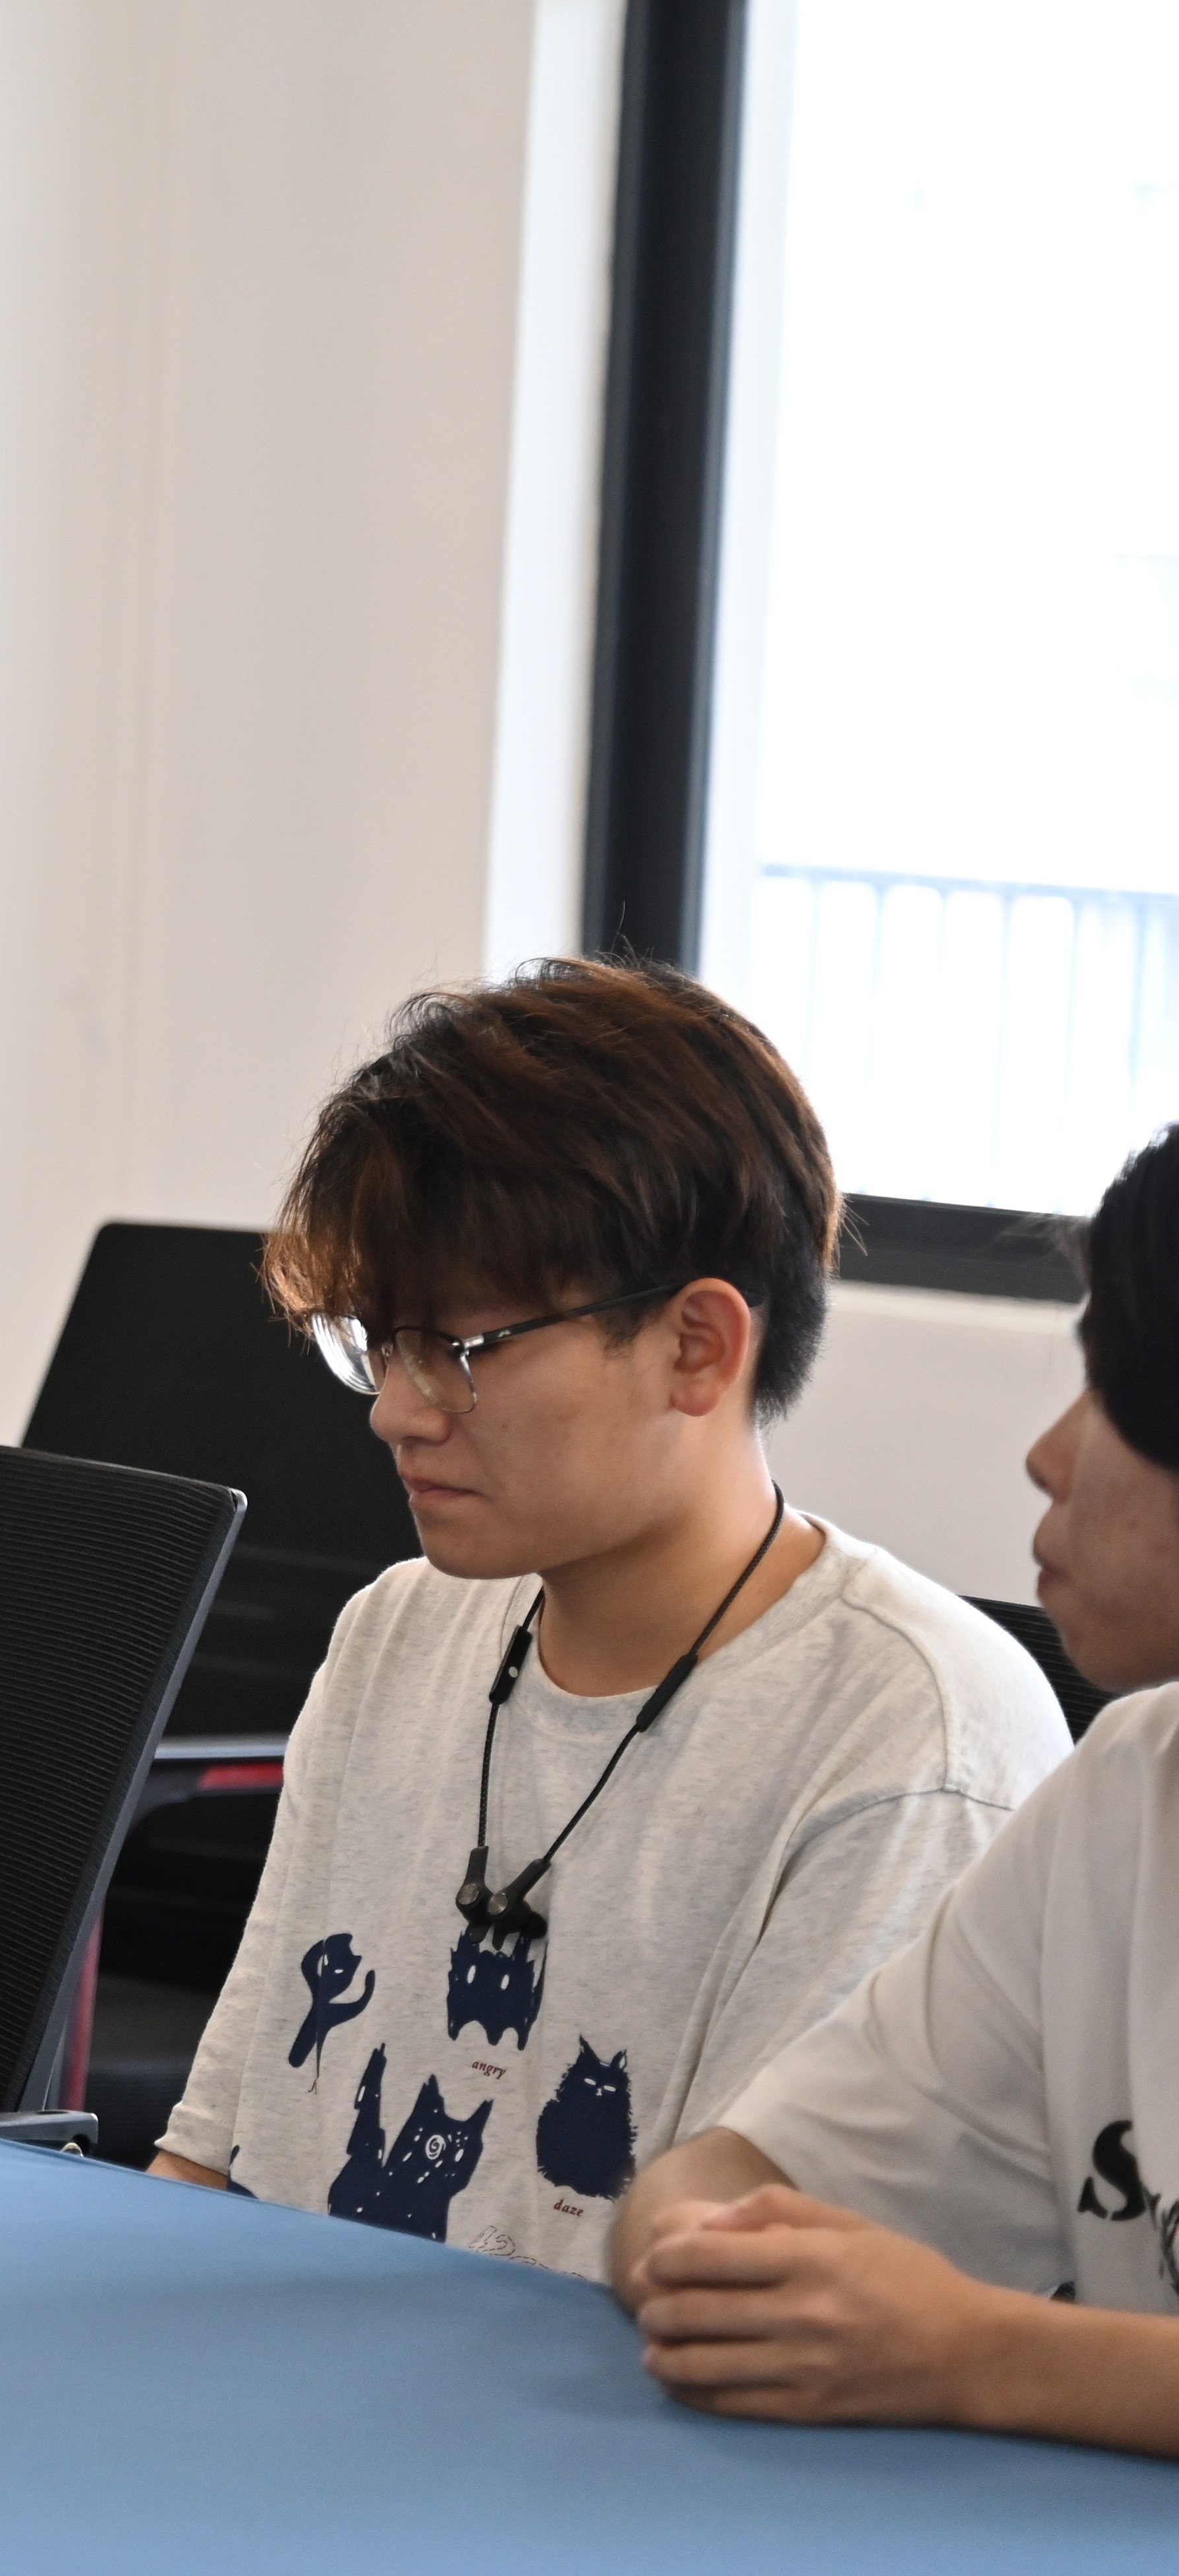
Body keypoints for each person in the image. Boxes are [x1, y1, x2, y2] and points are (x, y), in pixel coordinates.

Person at [149, 960, 1066, 2278]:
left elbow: (747, 2311)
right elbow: (215, 2157)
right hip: (290, 2368)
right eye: (380, 1342)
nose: (395, 1410)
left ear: (696, 1346)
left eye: (457, 1350)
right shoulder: (396, 1631)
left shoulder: (910, 1737)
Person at [609, 1120, 1179, 2452]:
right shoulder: (1122, 1794)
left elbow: (946, 2337)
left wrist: (977, 2352)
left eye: (1111, 1391)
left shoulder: (925, 1700)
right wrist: (709, 2254)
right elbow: (733, 2172)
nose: (1048, 1454)